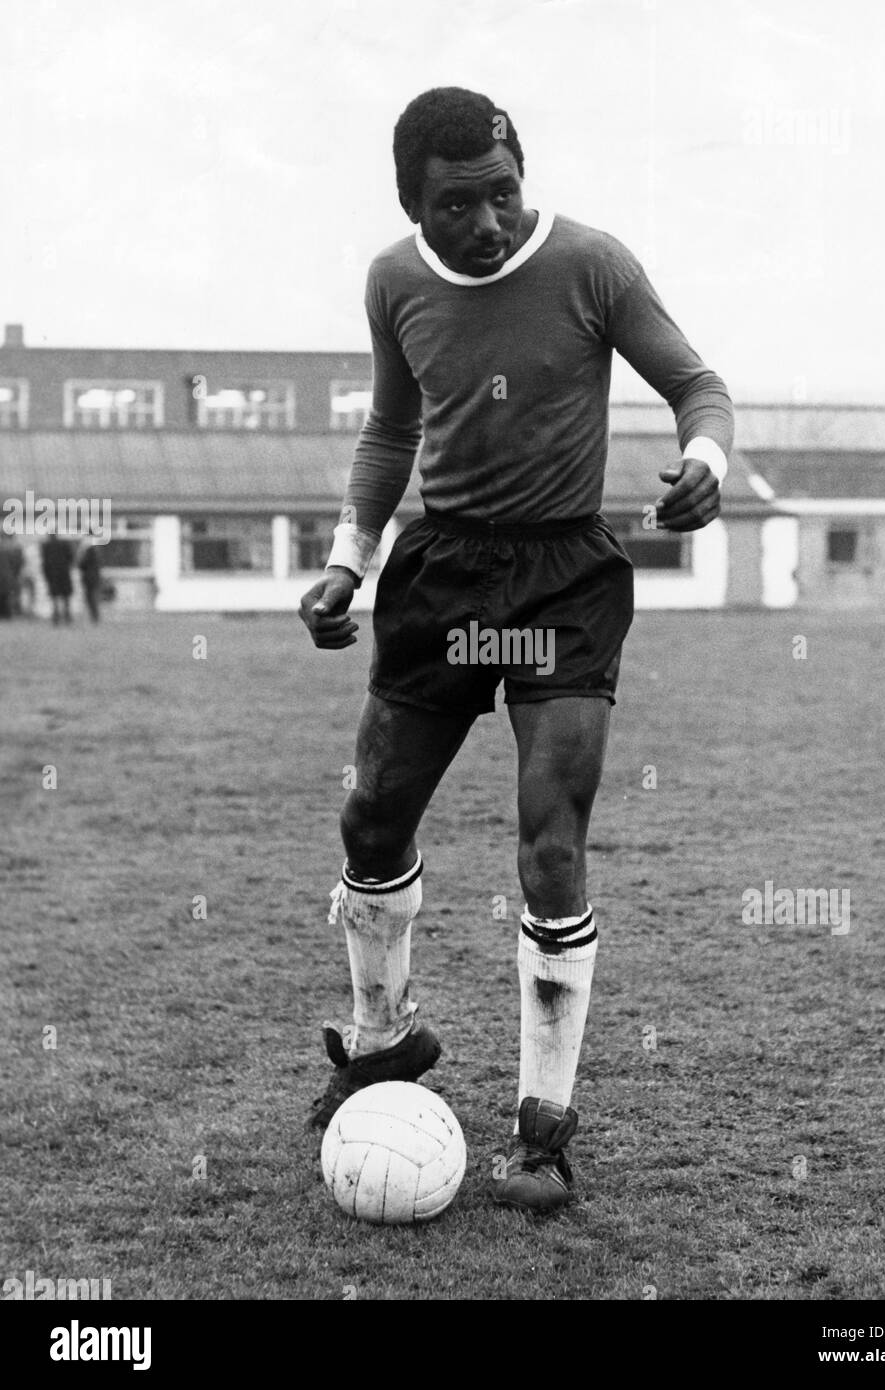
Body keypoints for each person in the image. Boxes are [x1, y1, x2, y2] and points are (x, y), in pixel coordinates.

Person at [299, 87, 733, 1213]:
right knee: (371, 816)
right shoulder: (394, 280)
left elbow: (698, 386)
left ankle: (542, 1125)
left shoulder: (591, 265)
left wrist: (705, 461)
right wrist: (350, 557)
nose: (488, 221)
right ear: (414, 205)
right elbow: (392, 428)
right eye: (457, 204)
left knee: (550, 842)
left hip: (562, 576)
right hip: (440, 573)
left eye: (503, 191)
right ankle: (384, 1037)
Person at [41, 530, 74, 624]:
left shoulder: (46, 546)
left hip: (53, 575)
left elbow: (45, 562)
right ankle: (67, 615)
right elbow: (71, 558)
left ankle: (56, 616)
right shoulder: (64, 544)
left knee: (54, 596)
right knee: (66, 596)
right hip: (64, 573)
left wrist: (46, 575)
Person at [77, 529, 103, 622]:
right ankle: (94, 616)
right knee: (92, 596)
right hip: (93, 576)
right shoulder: (95, 548)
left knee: (91, 597)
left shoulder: (88, 548)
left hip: (89, 577)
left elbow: (82, 563)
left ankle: (94, 617)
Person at [0, 533, 24, 618]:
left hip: (7, 574)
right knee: (10, 594)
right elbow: (19, 563)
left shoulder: (7, 547)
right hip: (10, 574)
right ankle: (11, 611)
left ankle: (8, 612)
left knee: (7, 594)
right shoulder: (15, 547)